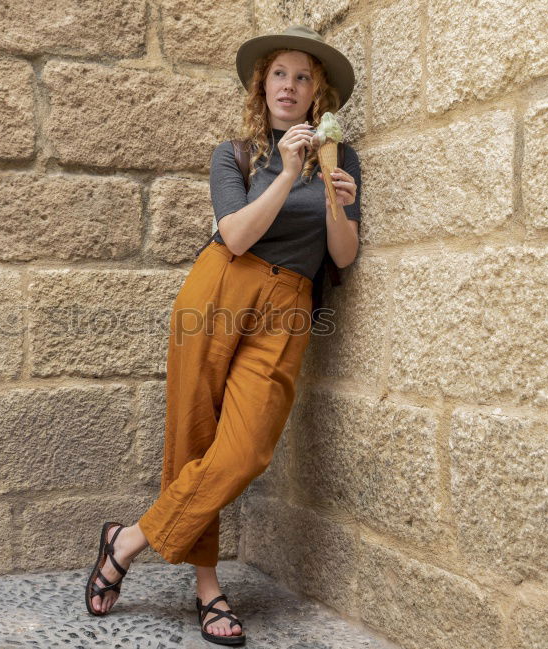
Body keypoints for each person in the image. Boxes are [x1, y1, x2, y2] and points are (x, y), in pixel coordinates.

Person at [83, 24, 360, 646]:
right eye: (279, 74)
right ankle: (209, 590)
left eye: (303, 77)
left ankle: (124, 542)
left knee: (244, 451)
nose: (289, 86)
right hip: (219, 288)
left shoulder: (342, 160)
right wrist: (287, 174)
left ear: (318, 95)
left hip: (289, 303)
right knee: (194, 436)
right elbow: (234, 236)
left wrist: (336, 199)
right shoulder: (236, 154)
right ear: (262, 85)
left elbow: (341, 256)